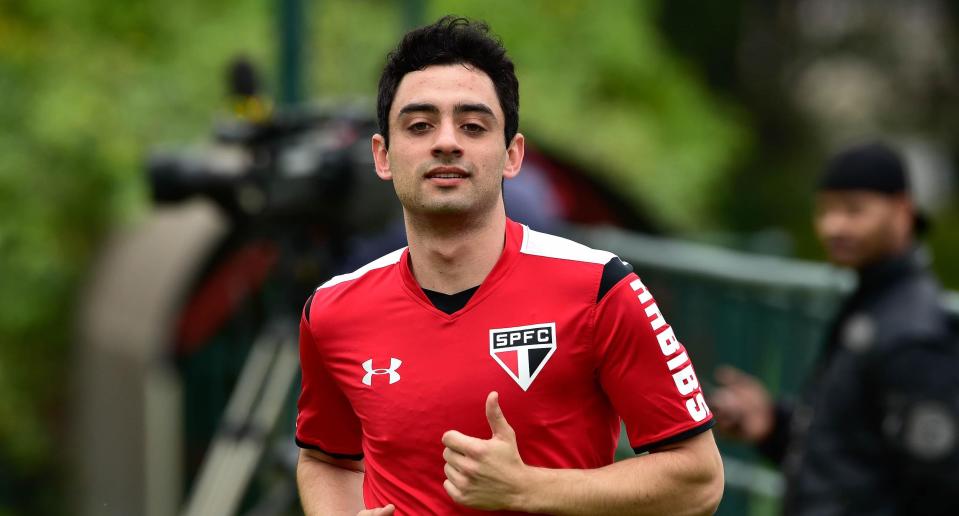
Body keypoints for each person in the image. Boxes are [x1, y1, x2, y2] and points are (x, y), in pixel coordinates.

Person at [294, 16, 724, 516]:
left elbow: (699, 480)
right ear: (382, 156)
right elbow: (326, 459)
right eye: (419, 125)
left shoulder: (601, 287)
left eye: (473, 126)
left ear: (512, 156)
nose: (446, 142)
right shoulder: (331, 311)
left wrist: (527, 490)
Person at [711, 142, 959, 515]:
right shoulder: (870, 303)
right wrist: (775, 426)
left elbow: (939, 483)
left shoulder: (912, 332)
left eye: (854, 209)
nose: (833, 226)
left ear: (903, 211)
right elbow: (854, 456)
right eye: (825, 210)